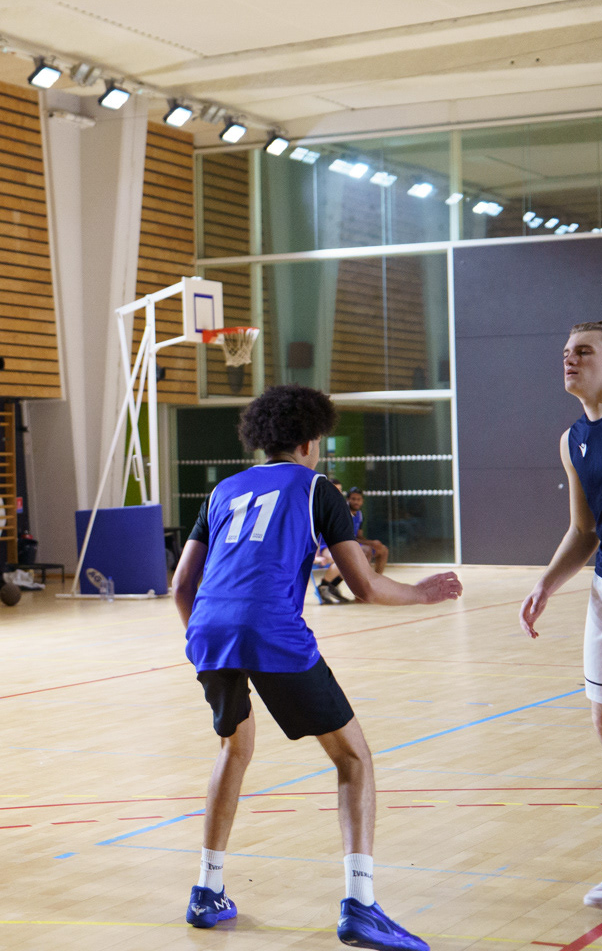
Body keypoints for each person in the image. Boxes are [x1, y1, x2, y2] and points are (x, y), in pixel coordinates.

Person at [170, 384, 461, 949]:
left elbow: (183, 586)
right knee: (353, 758)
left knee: (234, 748)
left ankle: (207, 890)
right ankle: (361, 904)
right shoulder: (316, 488)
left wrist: (208, 642)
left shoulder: (224, 490)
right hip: (270, 630)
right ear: (308, 441)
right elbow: (366, 586)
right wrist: (422, 593)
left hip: (208, 629)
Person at [520, 321, 602, 912]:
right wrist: (546, 583)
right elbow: (584, 529)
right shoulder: (572, 439)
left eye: (583, 351)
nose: (568, 359)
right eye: (565, 352)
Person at [348, 489, 390, 574]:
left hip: (356, 543)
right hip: (347, 544)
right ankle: (365, 578)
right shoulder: (344, 514)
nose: (356, 502)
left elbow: (359, 536)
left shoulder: (359, 515)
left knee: (383, 550)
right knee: (367, 550)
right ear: (348, 499)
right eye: (353, 499)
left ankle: (378, 578)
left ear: (362, 501)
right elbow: (347, 538)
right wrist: (370, 543)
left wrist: (372, 543)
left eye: (359, 499)